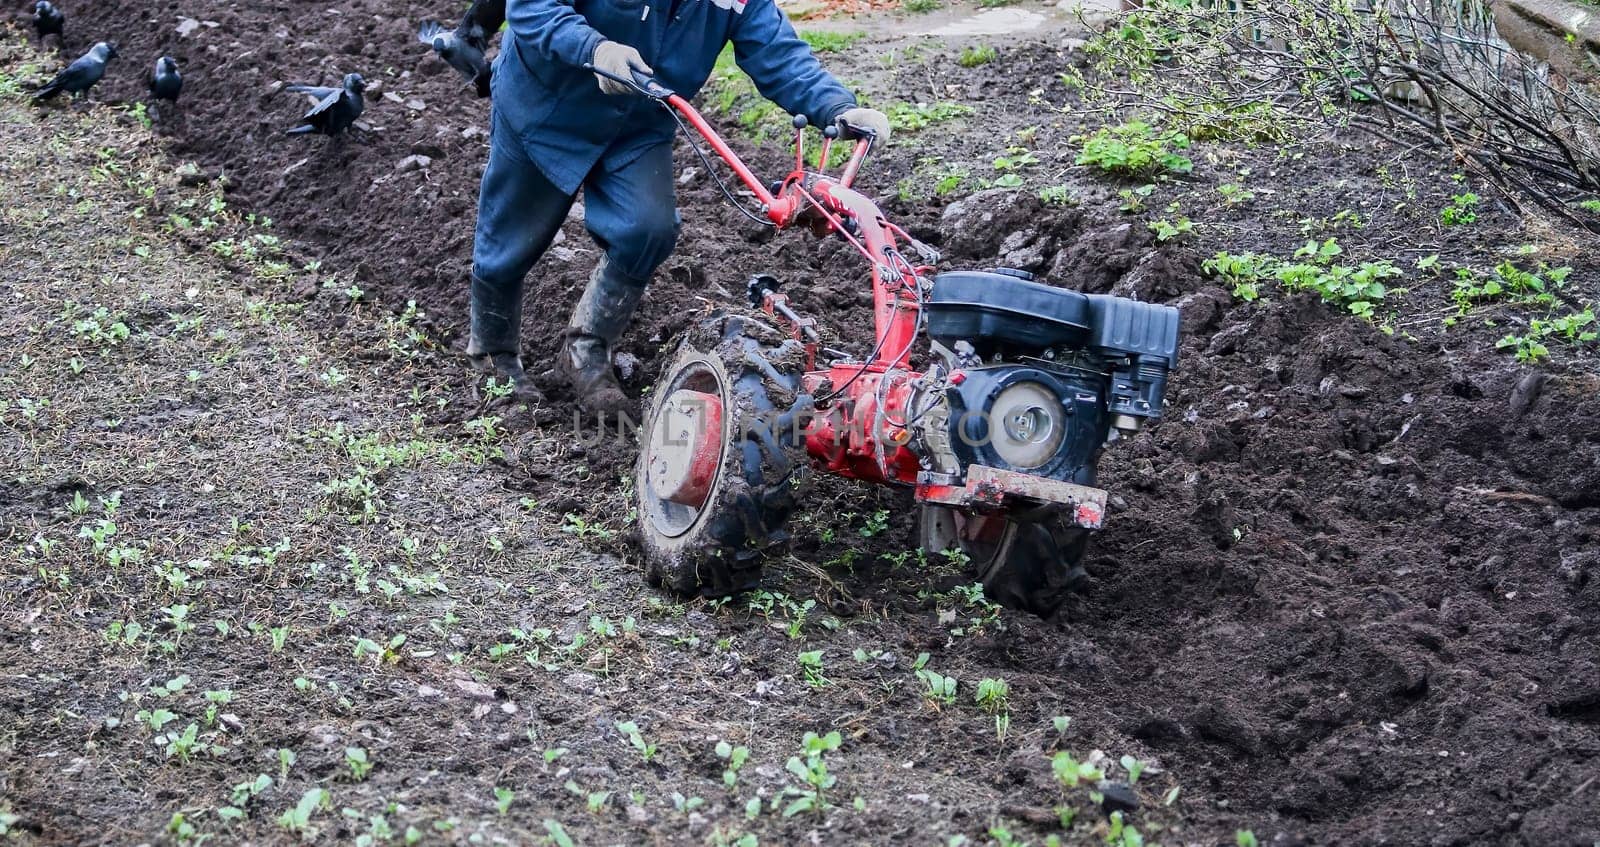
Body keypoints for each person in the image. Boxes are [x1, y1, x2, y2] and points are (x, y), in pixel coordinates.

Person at [467, 0, 890, 412]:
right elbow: (530, 8)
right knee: (509, 242)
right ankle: (493, 355)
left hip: (637, 125)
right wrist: (594, 48)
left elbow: (778, 52)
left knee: (648, 229)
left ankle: (587, 350)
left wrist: (838, 107)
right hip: (543, 110)